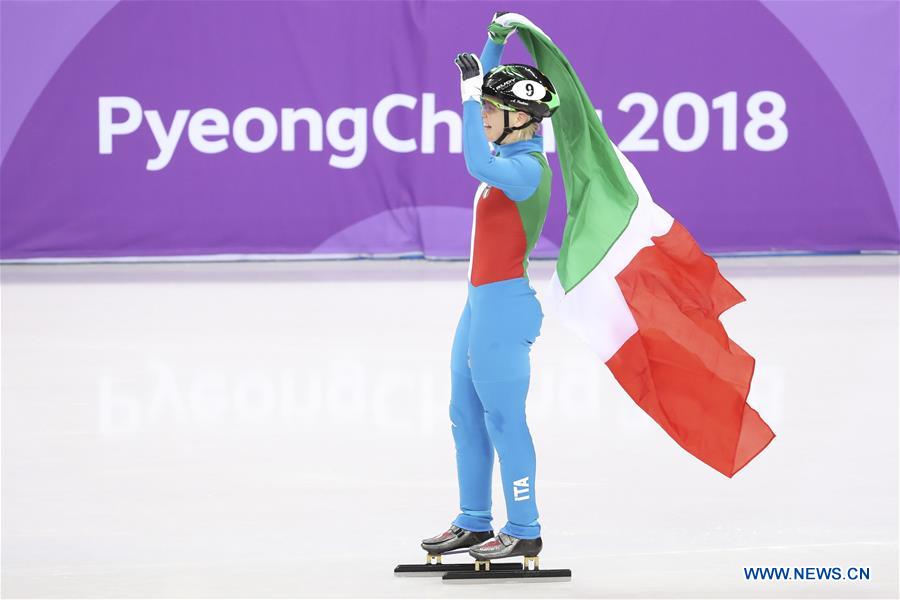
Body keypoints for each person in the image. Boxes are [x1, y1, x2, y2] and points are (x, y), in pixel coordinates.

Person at [420, 13, 560, 564]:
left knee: (504, 417)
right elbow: (496, 94)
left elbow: (472, 157)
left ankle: (524, 527)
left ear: (521, 119)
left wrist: (464, 96)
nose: (482, 117)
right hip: (478, 305)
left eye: (489, 112)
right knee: (464, 411)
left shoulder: (525, 170)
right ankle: (475, 521)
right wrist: (494, 42)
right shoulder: (510, 149)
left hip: (505, 309)